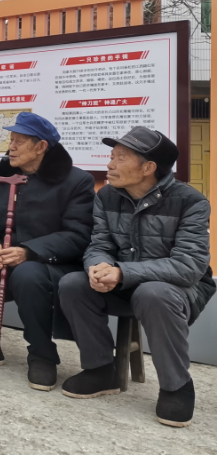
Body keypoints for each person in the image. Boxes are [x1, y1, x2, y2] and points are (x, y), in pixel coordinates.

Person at [59, 127, 214, 427]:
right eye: (112, 156)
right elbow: (99, 244)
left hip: (177, 289)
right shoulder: (106, 196)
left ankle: (176, 385)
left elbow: (188, 266)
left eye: (120, 158)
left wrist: (123, 272)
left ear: (148, 168)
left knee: (152, 293)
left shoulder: (190, 201)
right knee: (73, 284)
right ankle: (100, 370)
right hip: (123, 281)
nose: (110, 164)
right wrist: (98, 267)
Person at [0, 112, 94, 391]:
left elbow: (78, 235)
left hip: (48, 267)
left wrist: (28, 251)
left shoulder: (76, 181)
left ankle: (42, 355)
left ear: (41, 146)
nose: (10, 146)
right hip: (2, 261)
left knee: (27, 273)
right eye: (11, 139)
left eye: (19, 141)